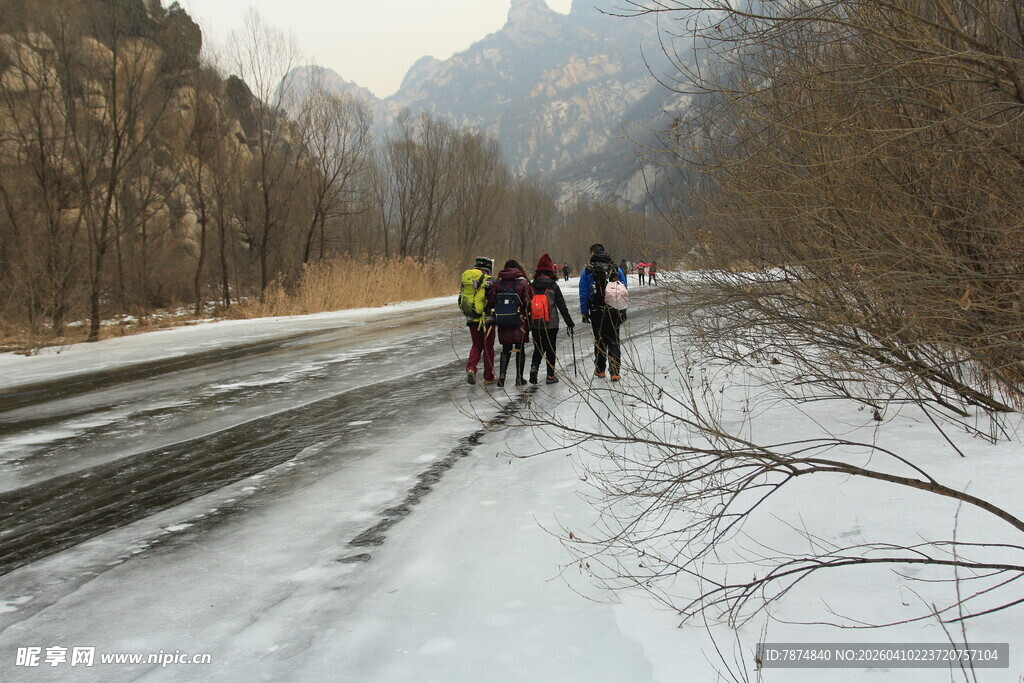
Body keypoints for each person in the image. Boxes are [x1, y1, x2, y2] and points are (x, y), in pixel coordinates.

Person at [580, 244, 628, 381]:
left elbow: (583, 293)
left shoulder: (588, 271)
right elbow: (624, 290)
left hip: (596, 310)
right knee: (614, 340)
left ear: (593, 253)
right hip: (614, 309)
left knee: (600, 340)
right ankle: (614, 371)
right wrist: (623, 311)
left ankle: (600, 370)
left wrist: (585, 312)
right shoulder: (616, 269)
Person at [528, 254, 575, 384]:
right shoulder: (553, 286)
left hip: (535, 323)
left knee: (538, 347)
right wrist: (569, 322)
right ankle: (550, 375)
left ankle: (534, 367)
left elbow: (527, 305)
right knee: (550, 348)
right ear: (551, 270)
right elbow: (562, 306)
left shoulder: (531, 286)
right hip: (551, 324)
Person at [489, 259, 532, 387]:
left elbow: (491, 301)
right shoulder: (523, 282)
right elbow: (528, 302)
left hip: (503, 320)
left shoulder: (498, 283)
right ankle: (519, 378)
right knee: (520, 349)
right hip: (520, 320)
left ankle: (502, 376)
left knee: (505, 349)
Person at [459, 256, 496, 384]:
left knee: (476, 344)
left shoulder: (468, 279)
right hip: (487, 319)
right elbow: (493, 299)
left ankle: (471, 368)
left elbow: (461, 298)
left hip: (471, 318)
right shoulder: (490, 280)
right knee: (488, 347)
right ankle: (488, 376)